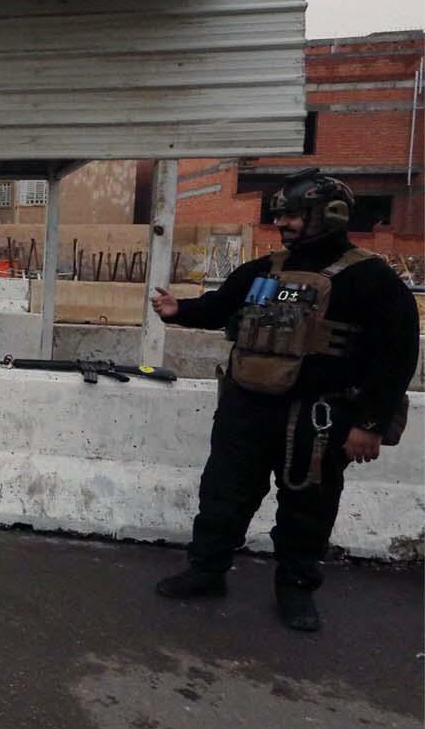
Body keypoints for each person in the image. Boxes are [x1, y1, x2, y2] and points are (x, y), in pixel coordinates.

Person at [149, 168, 418, 631]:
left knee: (307, 507)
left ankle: (295, 589)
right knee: (223, 494)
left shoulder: (371, 279)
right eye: (282, 216)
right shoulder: (264, 270)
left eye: (295, 214)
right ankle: (207, 570)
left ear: (331, 215)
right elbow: (223, 307)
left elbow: (395, 358)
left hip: (317, 418)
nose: (284, 224)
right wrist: (181, 311)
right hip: (246, 407)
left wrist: (369, 424)